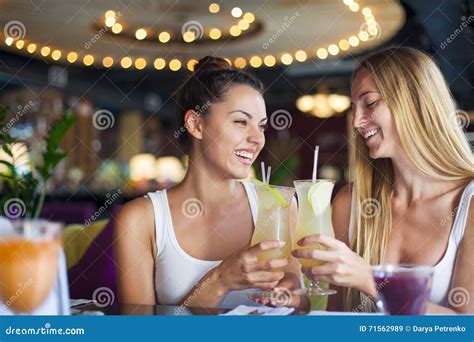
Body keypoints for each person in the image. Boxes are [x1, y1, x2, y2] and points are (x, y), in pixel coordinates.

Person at [293, 47, 473, 314]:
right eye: (354, 107)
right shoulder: (350, 203)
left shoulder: (468, 204)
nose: (356, 121)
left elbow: (465, 327)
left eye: (371, 103)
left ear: (414, 102)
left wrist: (370, 281)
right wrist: (295, 302)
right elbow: (338, 318)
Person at [114, 56, 301, 308]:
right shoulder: (140, 219)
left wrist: (290, 295)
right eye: (241, 122)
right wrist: (220, 280)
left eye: (262, 126)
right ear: (195, 124)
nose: (258, 139)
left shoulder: (279, 204)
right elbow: (136, 332)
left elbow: (304, 303)